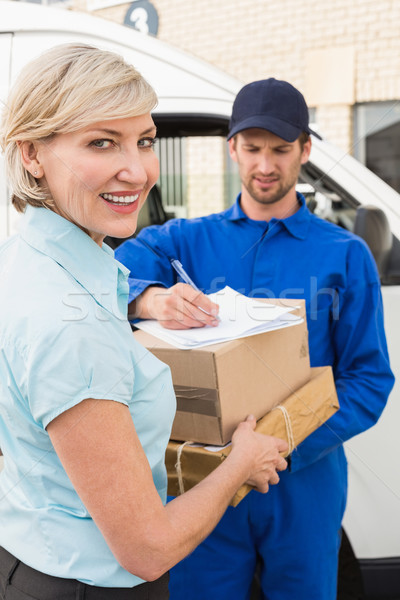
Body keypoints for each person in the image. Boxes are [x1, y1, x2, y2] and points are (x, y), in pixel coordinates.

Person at [0, 46, 289, 600]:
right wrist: (239, 463)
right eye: (101, 142)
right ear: (32, 154)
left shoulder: (29, 261)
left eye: (146, 140)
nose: (138, 170)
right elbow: (148, 547)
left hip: (34, 556)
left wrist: (146, 302)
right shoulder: (69, 321)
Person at [115, 77, 395, 600]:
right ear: (232, 150)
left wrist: (281, 443)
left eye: (281, 150)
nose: (265, 165)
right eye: (252, 148)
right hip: (205, 481)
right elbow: (113, 274)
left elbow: (369, 379)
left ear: (305, 151)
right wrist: (151, 300)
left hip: (303, 478)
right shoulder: (184, 241)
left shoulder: (345, 255)